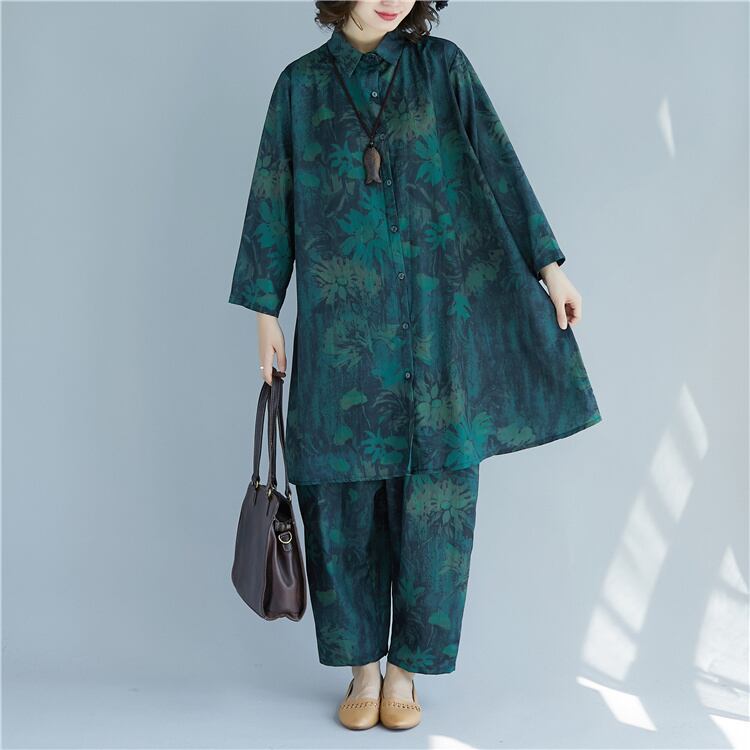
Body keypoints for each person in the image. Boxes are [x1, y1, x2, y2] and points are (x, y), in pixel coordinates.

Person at [228, 0, 602, 731]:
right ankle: (362, 670)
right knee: (339, 498)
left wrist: (550, 267)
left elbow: (499, 165)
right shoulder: (299, 88)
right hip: (342, 339)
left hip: (437, 336)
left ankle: (405, 673)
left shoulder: (444, 70)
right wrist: (265, 313)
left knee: (437, 500)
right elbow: (272, 196)